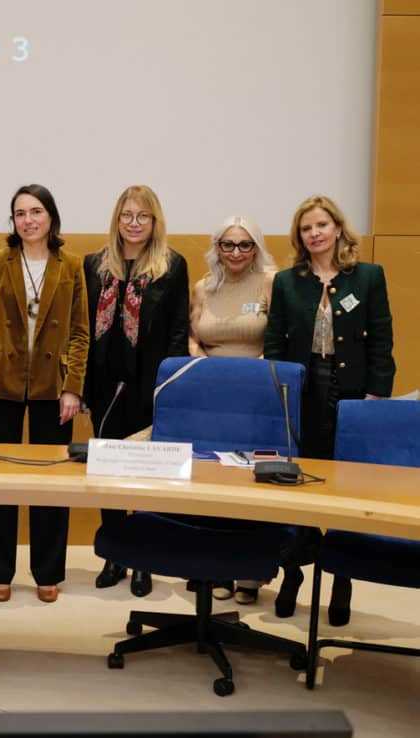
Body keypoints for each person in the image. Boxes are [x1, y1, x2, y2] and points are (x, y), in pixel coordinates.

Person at [264, 194, 395, 624]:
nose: (315, 233)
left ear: (338, 227)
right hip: (303, 391)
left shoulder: (368, 276)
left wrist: (376, 394)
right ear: (299, 236)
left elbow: (381, 340)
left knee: (345, 484)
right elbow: (275, 343)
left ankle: (341, 576)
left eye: (321, 225)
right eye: (306, 228)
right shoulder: (287, 281)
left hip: (353, 395)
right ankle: (293, 572)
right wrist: (277, 392)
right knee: (300, 480)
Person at [0, 184, 89, 603]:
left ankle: (48, 571)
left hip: (53, 388)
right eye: (20, 214)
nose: (29, 220)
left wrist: (73, 387)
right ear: (12, 221)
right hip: (0, 382)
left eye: (36, 212)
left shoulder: (71, 265)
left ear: (51, 217)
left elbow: (79, 333)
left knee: (51, 483)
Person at [83, 184, 189, 598]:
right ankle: (115, 554)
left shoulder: (171, 265)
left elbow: (179, 328)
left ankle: (144, 558)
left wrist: (170, 384)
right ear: (116, 220)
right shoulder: (95, 264)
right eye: (127, 215)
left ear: (154, 221)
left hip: (151, 385)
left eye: (142, 216)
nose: (134, 223)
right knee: (107, 472)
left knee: (147, 475)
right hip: (106, 385)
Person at [189, 215, 276, 605]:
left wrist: (249, 372)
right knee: (212, 481)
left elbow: (278, 335)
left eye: (244, 244)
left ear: (256, 247)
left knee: (249, 484)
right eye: (228, 244)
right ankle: (216, 568)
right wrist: (206, 367)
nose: (236, 252)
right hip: (211, 395)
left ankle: (251, 574)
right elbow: (192, 336)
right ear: (217, 247)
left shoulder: (273, 281)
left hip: (257, 395)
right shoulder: (203, 286)